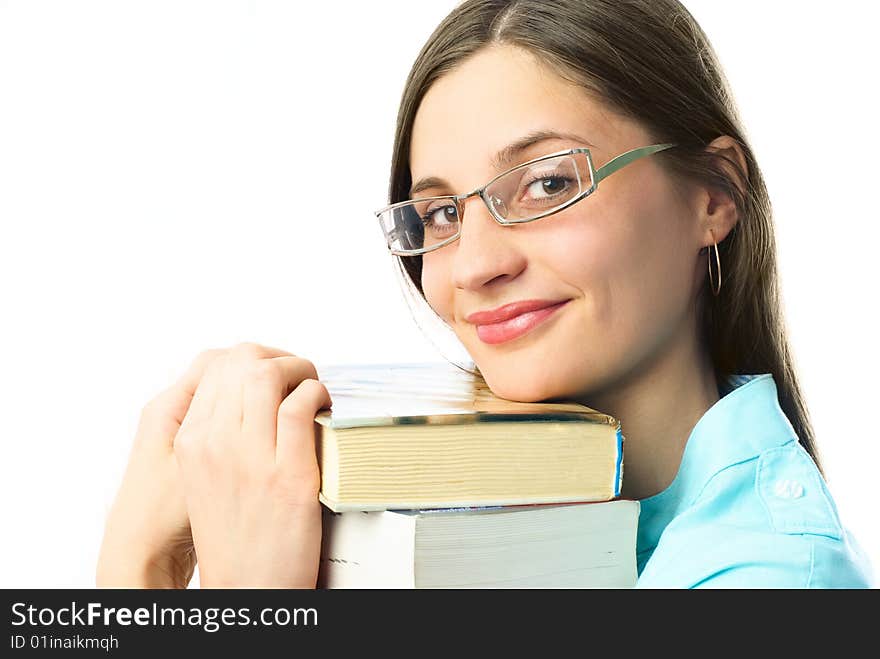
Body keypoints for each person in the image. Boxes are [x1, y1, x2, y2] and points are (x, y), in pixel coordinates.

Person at [97, 0, 874, 588]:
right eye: (440, 213)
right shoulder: (482, 526)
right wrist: (140, 561)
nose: (474, 265)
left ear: (715, 194)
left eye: (546, 182)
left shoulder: (765, 577)